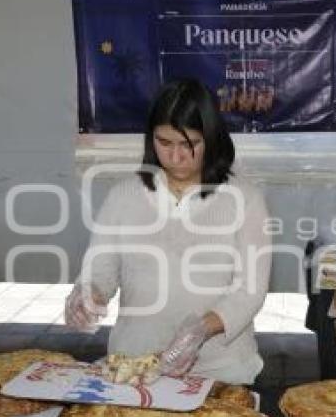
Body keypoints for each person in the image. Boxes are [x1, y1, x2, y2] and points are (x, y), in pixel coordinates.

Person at [65, 79, 271, 384]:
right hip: (133, 365)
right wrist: (88, 294)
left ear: (211, 139)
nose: (175, 157)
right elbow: (101, 270)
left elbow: (249, 291)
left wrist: (202, 329)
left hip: (220, 371)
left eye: (189, 145)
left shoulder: (244, 199)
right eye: (164, 143)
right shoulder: (124, 195)